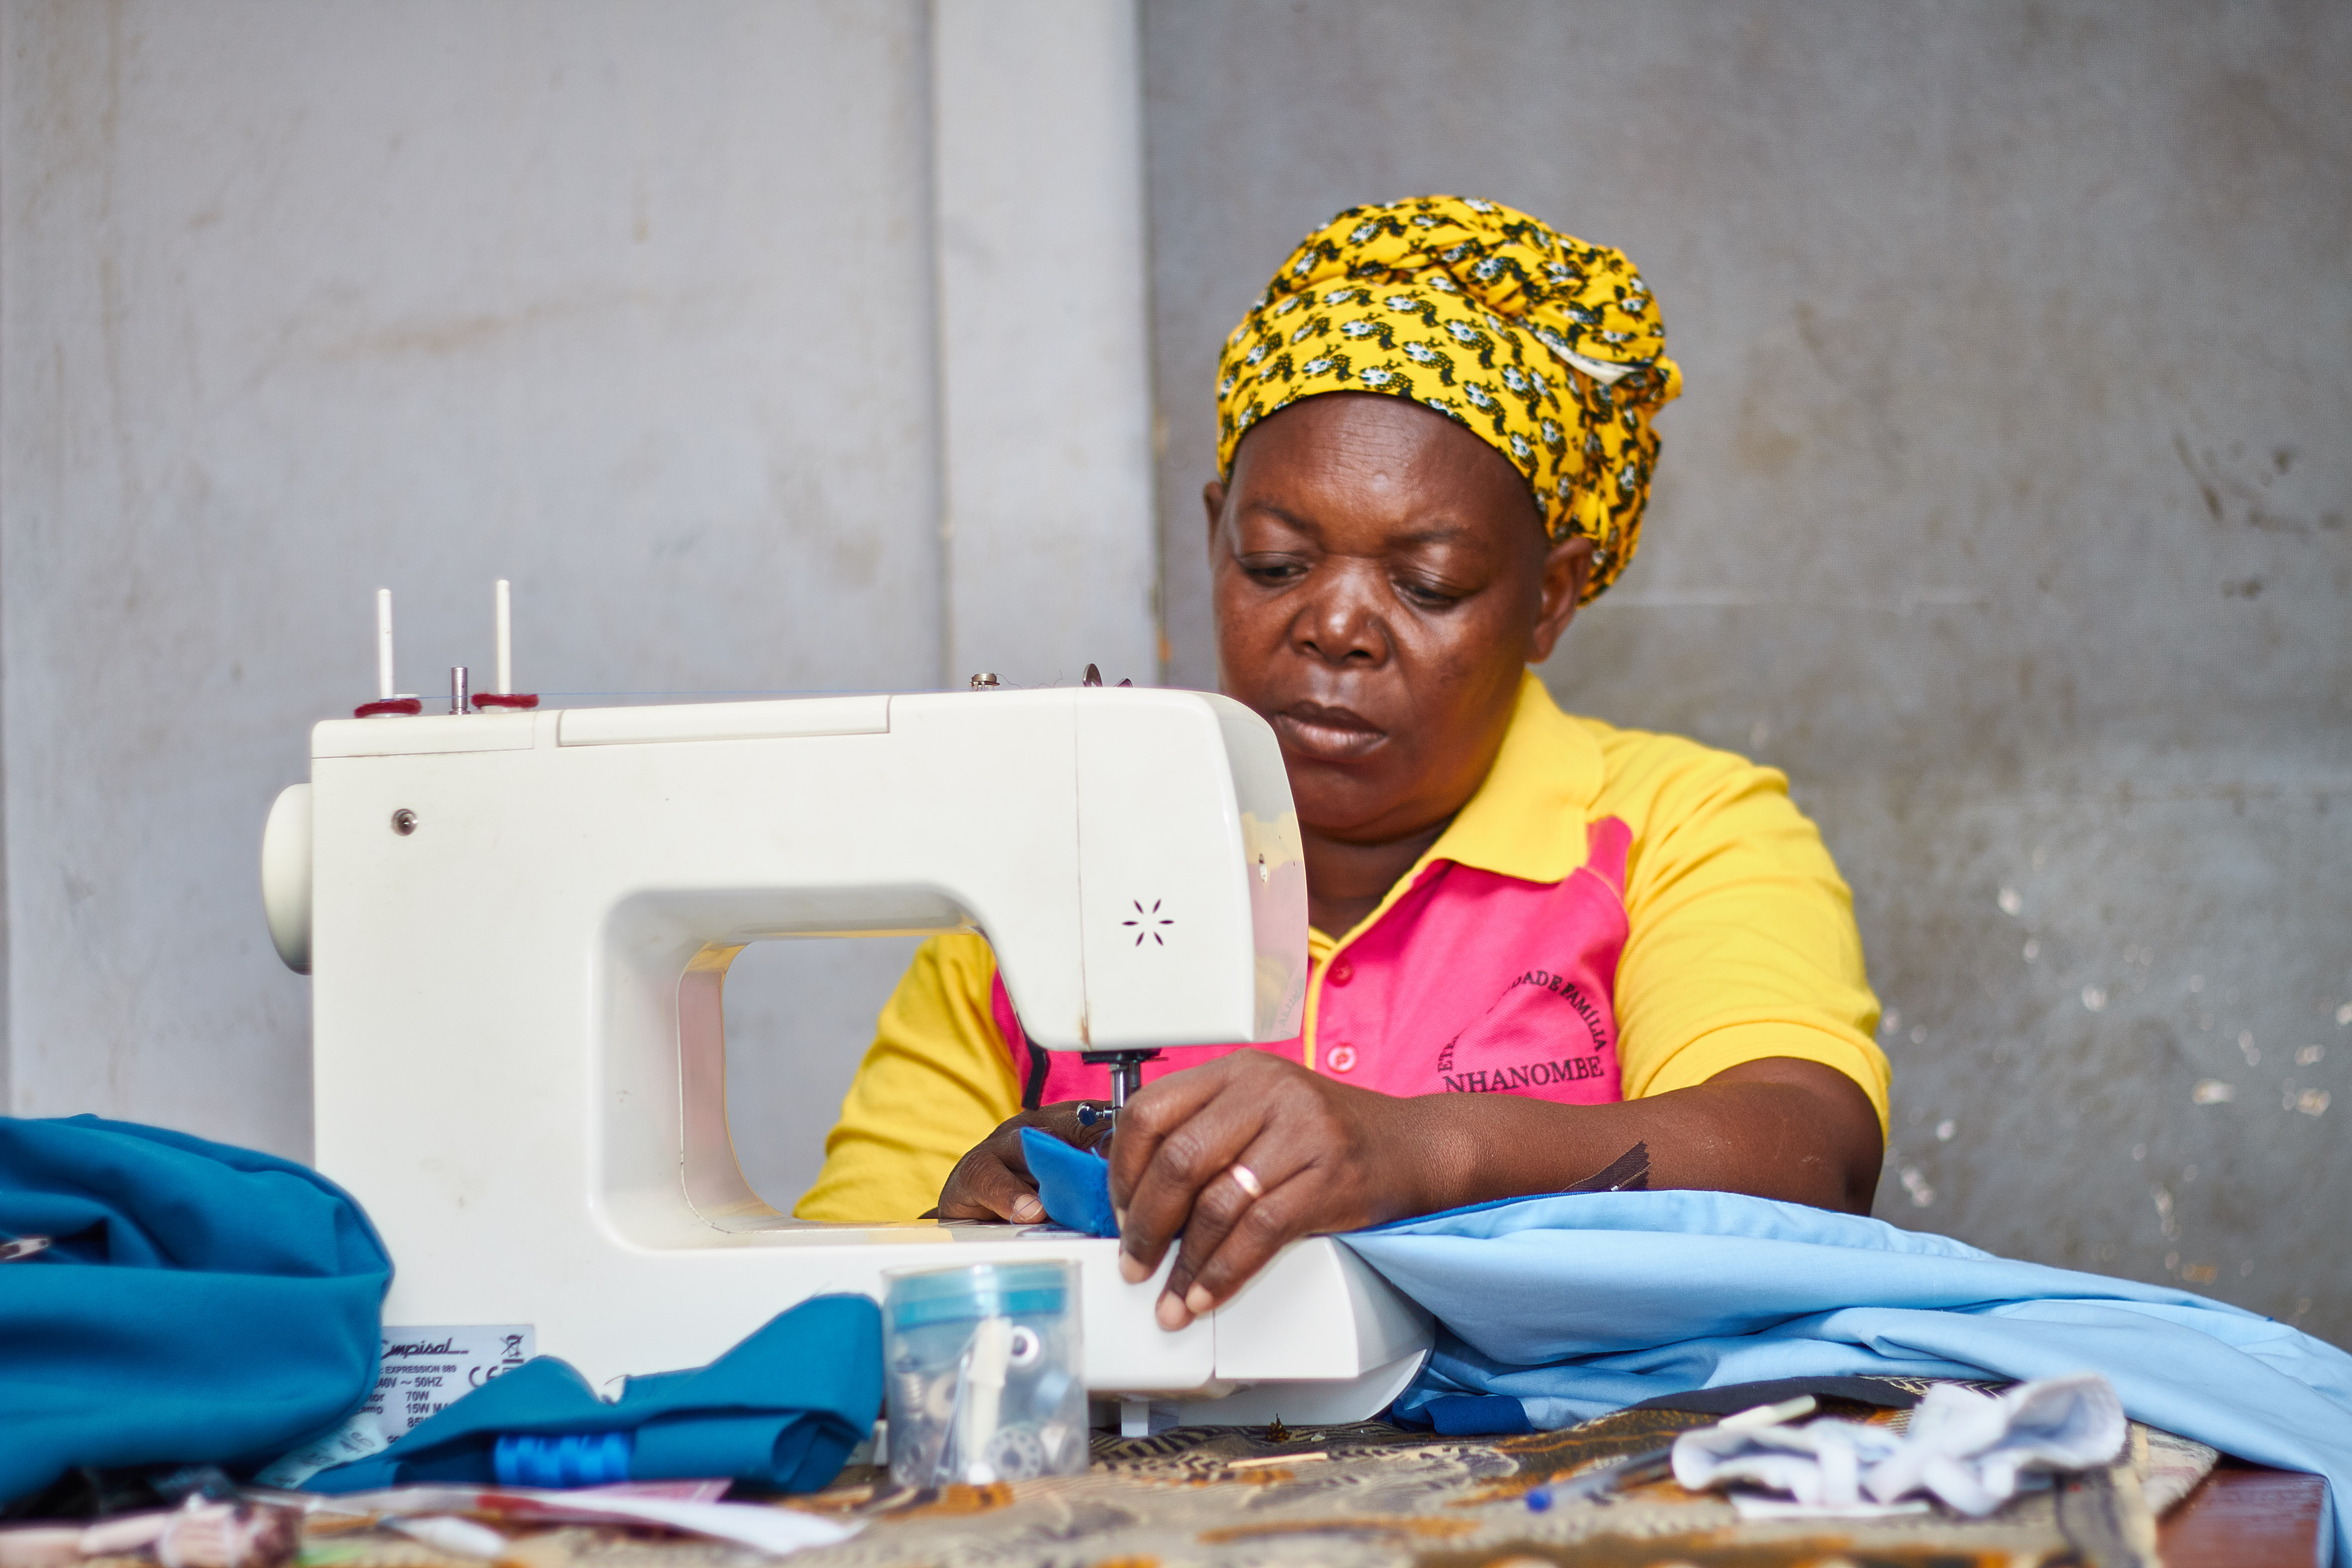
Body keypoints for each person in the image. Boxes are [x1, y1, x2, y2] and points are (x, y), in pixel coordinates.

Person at [796, 196, 1888, 1335]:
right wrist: (959, 1233)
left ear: (1549, 597)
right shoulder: (1047, 873)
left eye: (1426, 585)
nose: (1337, 628)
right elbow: (824, 1288)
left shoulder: (1678, 827)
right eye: (1275, 565)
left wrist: (1420, 1149)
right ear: (1216, 533)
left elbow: (1808, 1156)